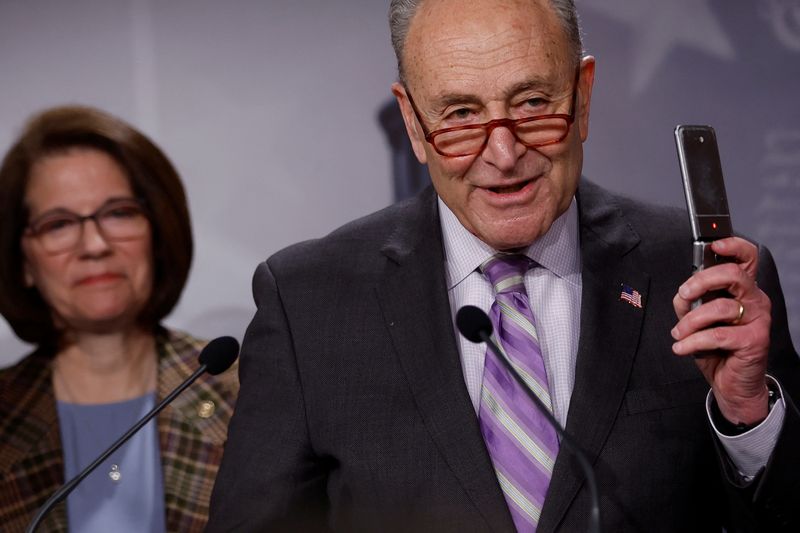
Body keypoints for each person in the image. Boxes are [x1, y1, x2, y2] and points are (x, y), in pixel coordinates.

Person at [207, 0, 799, 531]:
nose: (504, 153)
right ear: (413, 122)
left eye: (534, 103)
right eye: (461, 114)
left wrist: (748, 417)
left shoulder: (703, 274)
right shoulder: (310, 300)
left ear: (583, 95)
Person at [0, 105, 239, 532]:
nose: (94, 244)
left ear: (157, 233)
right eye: (58, 224)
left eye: (118, 213)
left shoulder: (246, 394)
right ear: (23, 263)